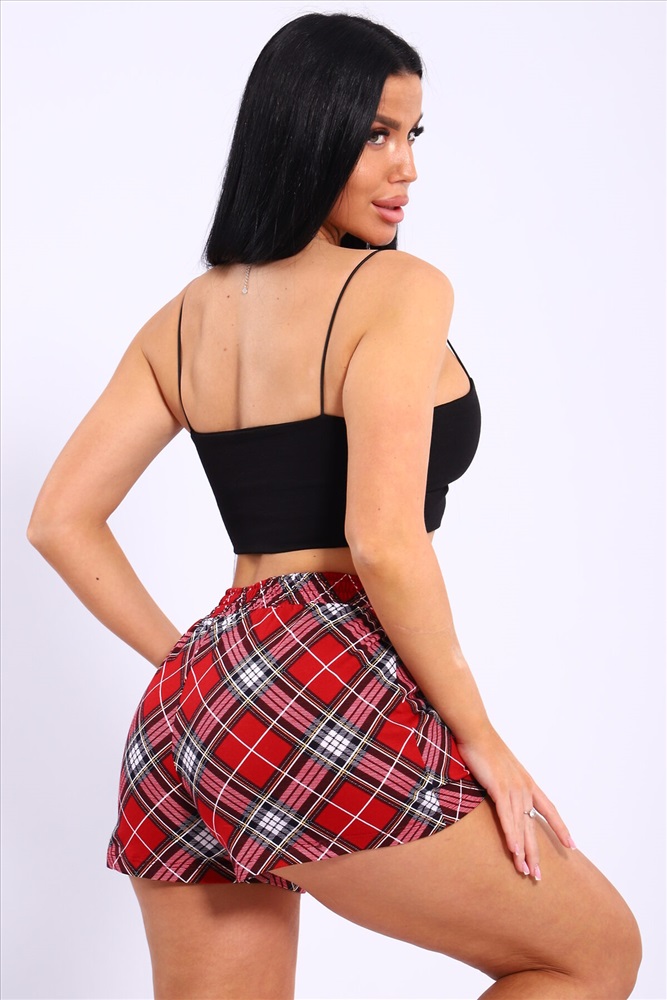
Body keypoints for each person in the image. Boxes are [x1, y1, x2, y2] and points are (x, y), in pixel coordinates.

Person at [28, 12, 640, 1000]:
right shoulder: (398, 290)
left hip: (188, 709)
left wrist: (196, 668)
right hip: (323, 668)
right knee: (592, 954)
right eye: (375, 134)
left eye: (413, 134)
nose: (406, 168)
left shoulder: (183, 317)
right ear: (306, 130)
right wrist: (483, 740)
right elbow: (383, 542)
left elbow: (60, 518)